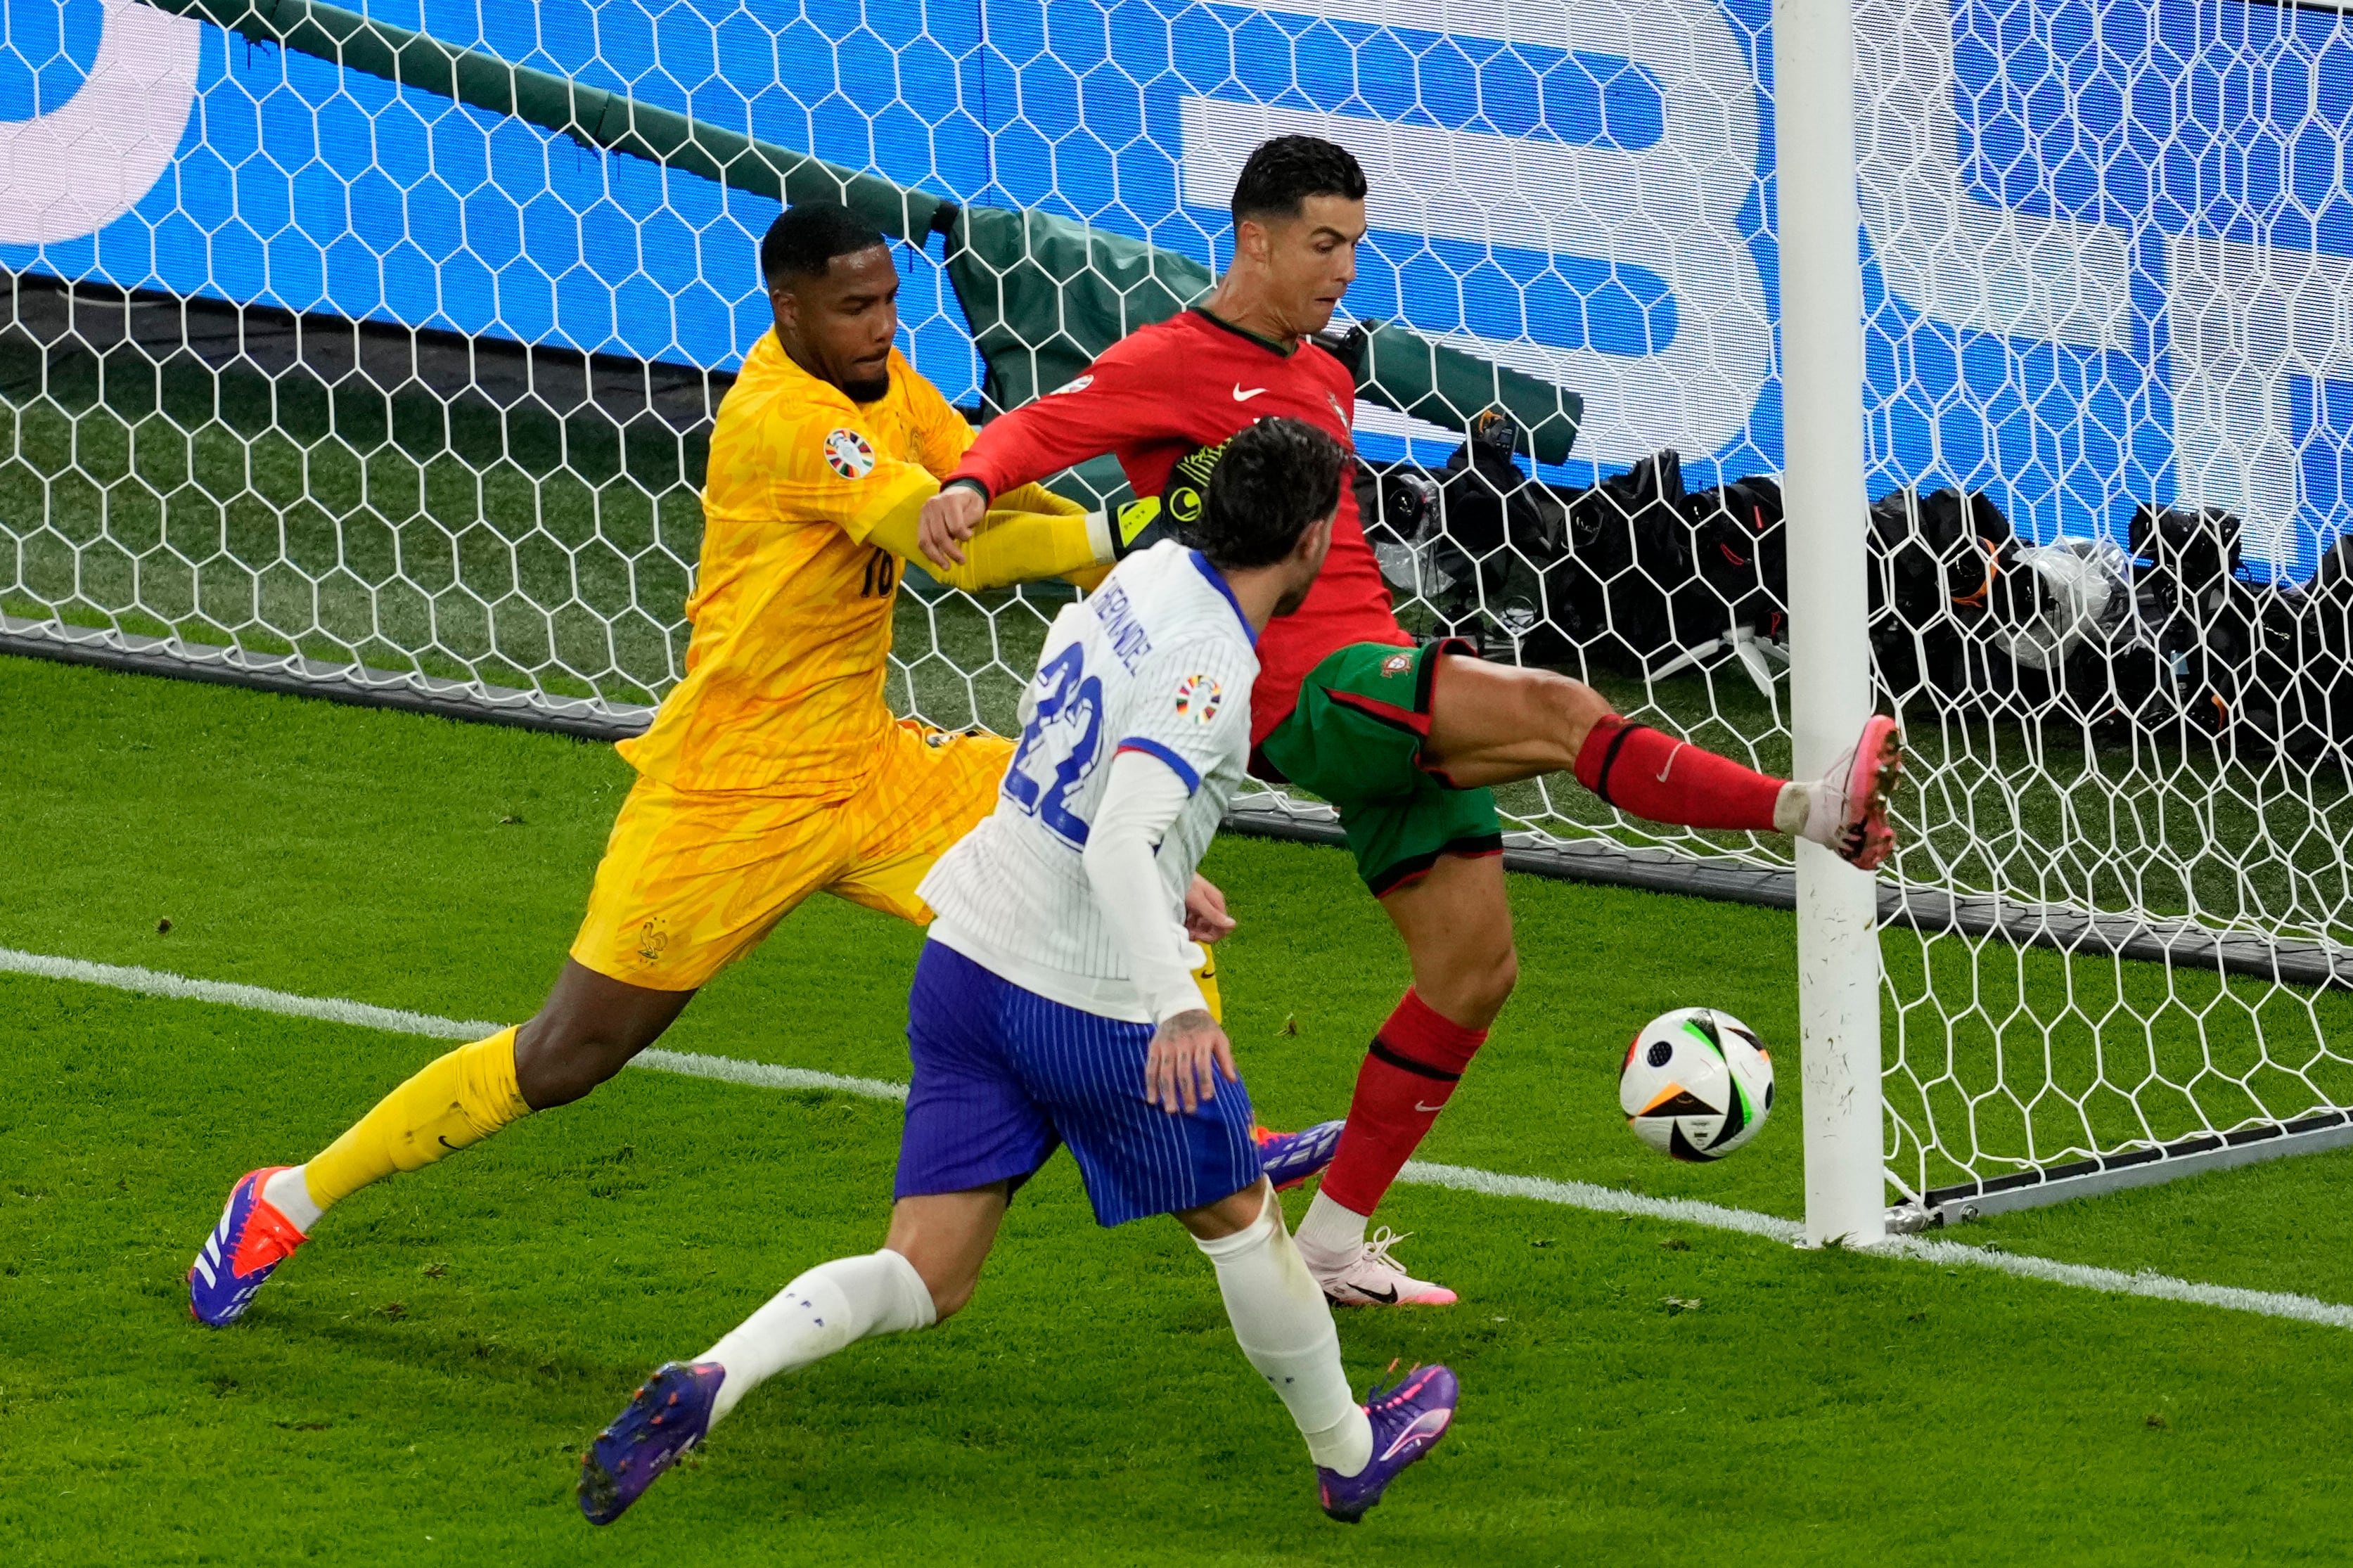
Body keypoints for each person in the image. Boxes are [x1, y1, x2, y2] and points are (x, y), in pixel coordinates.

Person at [186, 200, 1312, 1328]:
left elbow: (989, 481)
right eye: (853, 307)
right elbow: (948, 544)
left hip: (866, 765)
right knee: (570, 1053)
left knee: (1099, 824)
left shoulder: (889, 383)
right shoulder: (786, 419)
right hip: (731, 790)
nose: (879, 327)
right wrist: (1129, 531)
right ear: (788, 306)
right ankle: (285, 1195)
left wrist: (1127, 559)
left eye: (887, 302)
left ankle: (1221, 1118)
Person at [916, 136, 1905, 1309]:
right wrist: (971, 481)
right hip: (1293, 691)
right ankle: (1808, 808)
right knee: (1553, 707)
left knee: (1472, 970)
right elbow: (1043, 427)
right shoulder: (1172, 358)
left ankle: (1331, 1244)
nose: (1343, 269)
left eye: (1355, 245)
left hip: (1370, 674)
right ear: (1257, 237)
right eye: (1324, 244)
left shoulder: (1325, 376)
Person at [576, 418, 1456, 1528]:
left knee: (924, 1273)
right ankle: (1348, 1448)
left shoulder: (1144, 574)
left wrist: (1168, 863)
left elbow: (1062, 733)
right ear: (1313, 536)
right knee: (1240, 1218)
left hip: (967, 953)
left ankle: (717, 1372)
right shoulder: (1214, 663)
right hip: (1085, 1002)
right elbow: (1116, 838)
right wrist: (1178, 1001)